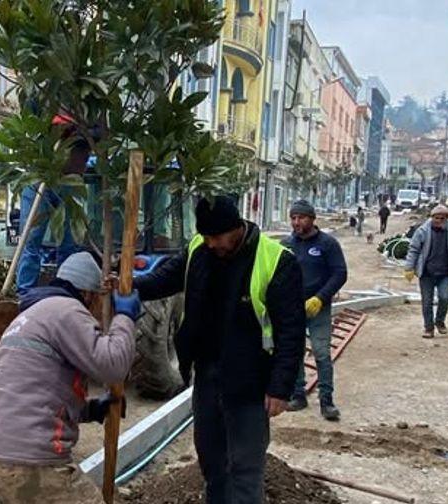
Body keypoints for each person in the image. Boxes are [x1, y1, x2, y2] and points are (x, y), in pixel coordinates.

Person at [133, 196, 305, 504]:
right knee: (212, 461)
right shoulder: (200, 248)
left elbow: (291, 331)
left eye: (217, 237)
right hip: (208, 374)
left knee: (245, 465)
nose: (211, 244)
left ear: (236, 227)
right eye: (207, 237)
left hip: (250, 381)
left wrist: (280, 388)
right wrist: (129, 285)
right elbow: (164, 279)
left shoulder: (276, 261)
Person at [0, 252, 140, 504]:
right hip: (29, 459)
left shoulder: (32, 315)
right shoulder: (67, 311)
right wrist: (125, 318)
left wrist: (90, 410)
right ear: (88, 295)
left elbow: (37, 394)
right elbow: (112, 365)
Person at [281, 200, 348, 421]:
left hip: (318, 308)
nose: (296, 222)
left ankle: (327, 400)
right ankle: (298, 394)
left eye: (301, 218)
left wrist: (320, 298)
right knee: (294, 351)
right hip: (293, 308)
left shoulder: (327, 244)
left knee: (321, 352)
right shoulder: (287, 244)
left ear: (312, 219)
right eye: (293, 218)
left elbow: (339, 273)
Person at [16, 115, 91, 295]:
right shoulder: (44, 106)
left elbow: (99, 135)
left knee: (70, 243)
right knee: (31, 237)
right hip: (40, 176)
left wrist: (81, 129)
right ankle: (25, 292)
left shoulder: (86, 110)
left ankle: (64, 289)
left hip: (69, 180)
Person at [404, 205, 448, 338]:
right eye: (436, 218)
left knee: (444, 298)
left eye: (442, 218)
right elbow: (414, 250)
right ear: (431, 217)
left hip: (446, 273)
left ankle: (440, 322)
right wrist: (409, 268)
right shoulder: (422, 231)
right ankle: (428, 327)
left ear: (446, 219)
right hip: (427, 273)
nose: (439, 220)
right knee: (427, 302)